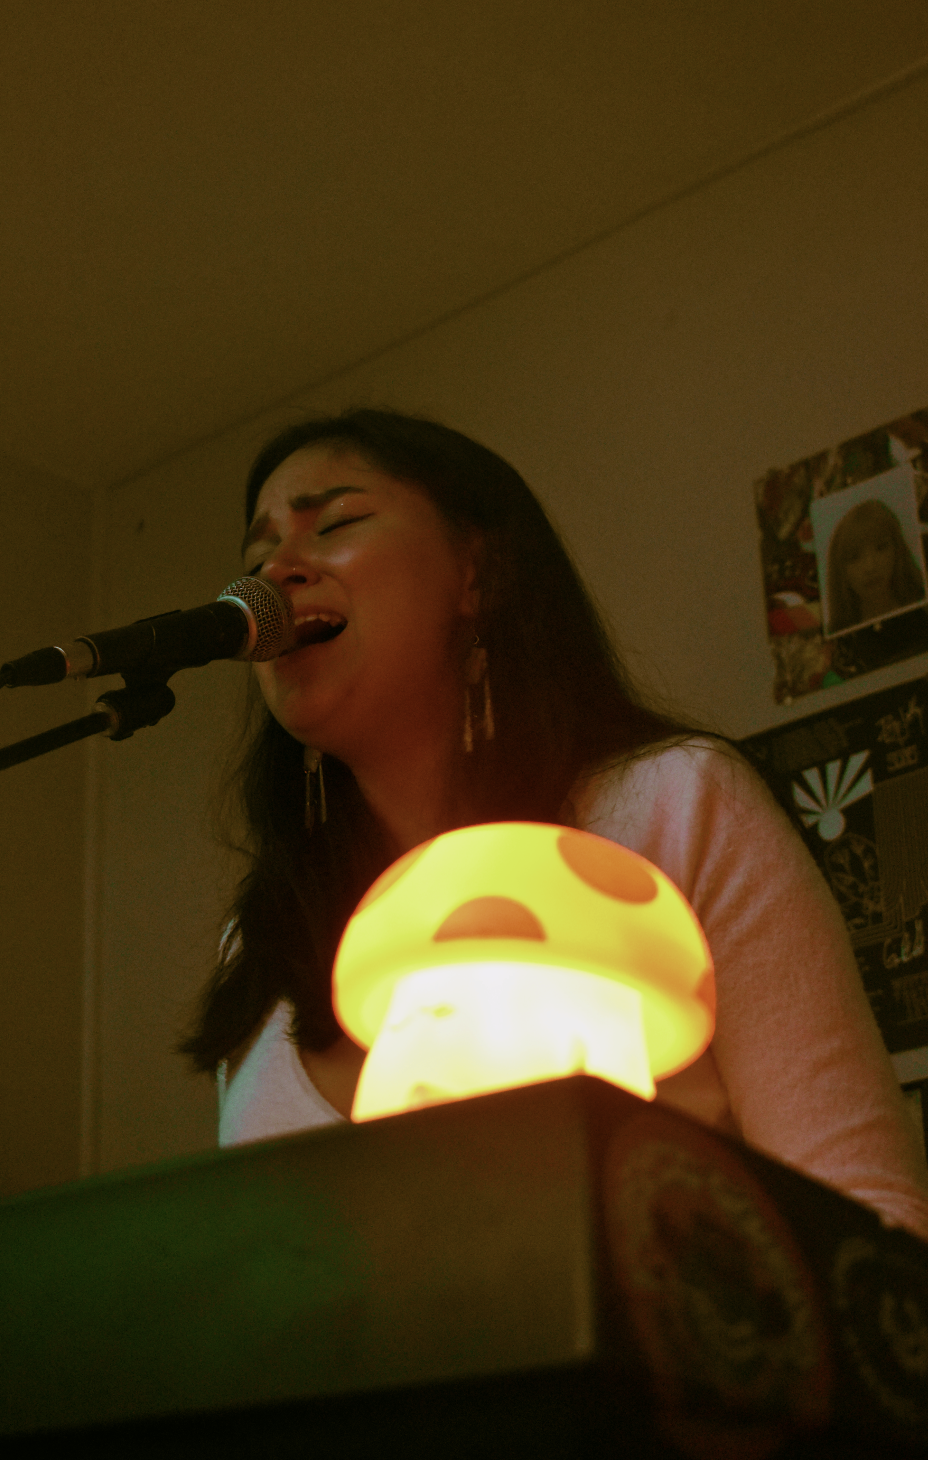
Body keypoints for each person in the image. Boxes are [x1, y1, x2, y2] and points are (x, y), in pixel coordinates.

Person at [180, 409, 928, 1239]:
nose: (277, 568)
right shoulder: (259, 938)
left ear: (478, 572)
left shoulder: (676, 801)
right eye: (256, 556)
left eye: (339, 522)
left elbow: (876, 1223)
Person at [824, 497, 926, 635]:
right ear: (840, 570)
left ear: (897, 549)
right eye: (855, 557)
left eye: (881, 547)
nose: (870, 567)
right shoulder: (839, 637)